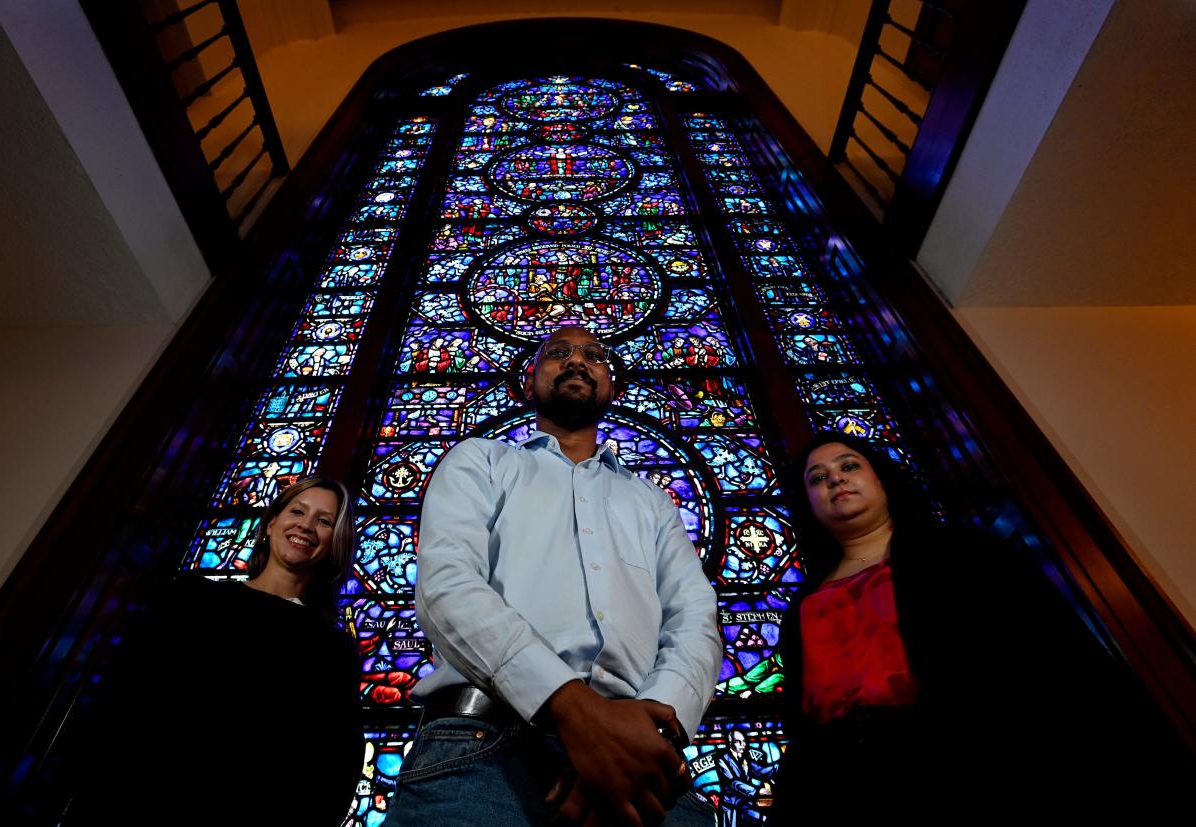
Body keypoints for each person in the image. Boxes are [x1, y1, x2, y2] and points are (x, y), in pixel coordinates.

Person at [386, 325, 720, 827]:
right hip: (484, 752)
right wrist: (576, 712)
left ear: (614, 387)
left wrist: (648, 725)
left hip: (641, 757)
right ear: (528, 384)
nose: (576, 361)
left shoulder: (650, 500)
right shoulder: (481, 460)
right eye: (558, 353)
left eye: (593, 354)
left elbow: (694, 616)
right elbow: (447, 584)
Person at [772, 432, 1167, 819]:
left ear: (881, 479)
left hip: (960, 759)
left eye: (849, 466)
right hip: (839, 781)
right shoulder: (804, 600)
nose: (835, 479)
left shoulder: (966, 553)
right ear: (808, 503)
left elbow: (1050, 654)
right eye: (818, 478)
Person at [68, 476, 363, 824]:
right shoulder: (189, 600)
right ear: (271, 524)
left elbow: (334, 762)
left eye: (324, 521)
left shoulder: (332, 650)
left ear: (334, 545)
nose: (306, 525)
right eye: (297, 511)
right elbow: (122, 699)